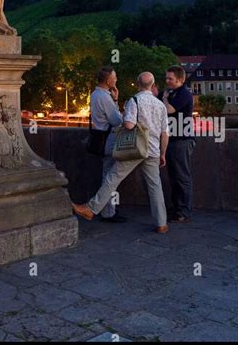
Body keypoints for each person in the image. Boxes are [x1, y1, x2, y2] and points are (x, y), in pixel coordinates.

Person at [73, 72, 169, 233]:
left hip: (136, 149)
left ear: (138, 84)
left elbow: (129, 125)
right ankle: (161, 223)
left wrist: (126, 120)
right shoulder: (160, 105)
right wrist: (163, 154)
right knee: (154, 186)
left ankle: (91, 209)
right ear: (152, 86)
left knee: (113, 178)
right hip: (153, 150)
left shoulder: (134, 100)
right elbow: (165, 133)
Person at [89, 67, 127, 222]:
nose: (116, 79)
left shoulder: (95, 94)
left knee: (107, 174)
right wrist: (118, 106)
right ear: (108, 80)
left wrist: (116, 100)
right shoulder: (104, 97)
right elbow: (116, 120)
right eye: (115, 77)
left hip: (100, 138)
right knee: (110, 177)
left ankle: (107, 211)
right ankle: (108, 212)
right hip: (109, 140)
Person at [162, 65, 195, 222]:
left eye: (170, 79)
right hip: (173, 139)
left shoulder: (184, 94)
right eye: (166, 78)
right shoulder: (173, 92)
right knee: (174, 176)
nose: (167, 81)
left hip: (182, 140)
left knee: (182, 176)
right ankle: (176, 208)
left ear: (180, 80)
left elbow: (169, 109)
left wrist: (165, 99)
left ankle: (184, 211)